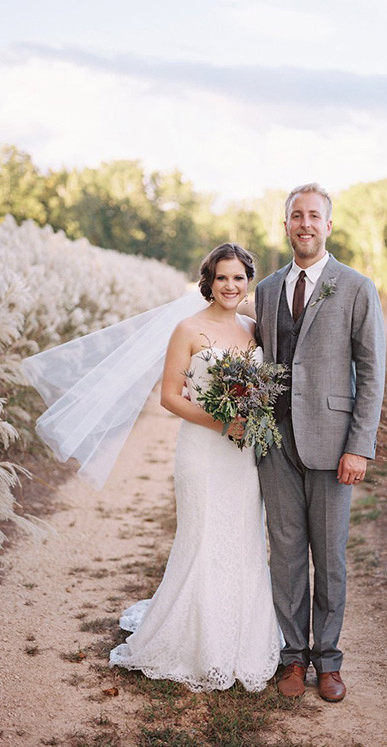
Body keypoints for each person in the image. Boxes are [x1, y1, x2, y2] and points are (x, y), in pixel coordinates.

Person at [109, 244, 281, 692]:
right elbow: (169, 396)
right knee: (202, 536)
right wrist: (224, 422)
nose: (231, 285)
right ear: (209, 281)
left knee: (243, 539)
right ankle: (195, 641)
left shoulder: (254, 330)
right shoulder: (187, 328)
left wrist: (252, 416)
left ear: (248, 282)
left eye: (239, 278)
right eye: (222, 277)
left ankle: (242, 638)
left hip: (243, 456)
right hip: (203, 452)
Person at [254, 184, 386, 702]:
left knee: (329, 559)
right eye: (296, 216)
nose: (304, 224)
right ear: (286, 224)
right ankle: (293, 658)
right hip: (275, 444)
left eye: (313, 216)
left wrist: (360, 445)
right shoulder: (267, 289)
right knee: (286, 556)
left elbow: (371, 371)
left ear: (328, 226)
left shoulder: (356, 287)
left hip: (334, 445)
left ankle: (328, 662)